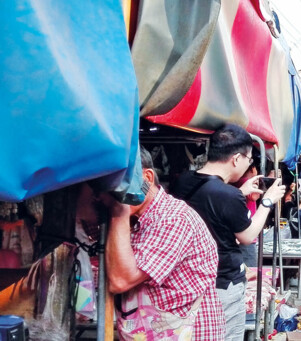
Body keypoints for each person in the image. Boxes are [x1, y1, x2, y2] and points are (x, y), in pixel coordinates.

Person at [169, 124, 286, 340]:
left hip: (188, 280)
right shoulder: (227, 195)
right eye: (249, 160)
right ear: (236, 159)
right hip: (222, 281)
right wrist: (267, 202)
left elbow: (210, 211)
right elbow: (247, 237)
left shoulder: (184, 181)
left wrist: (240, 192)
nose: (247, 165)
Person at [106, 147, 225, 340]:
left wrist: (119, 208)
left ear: (147, 177)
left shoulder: (173, 219)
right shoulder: (137, 218)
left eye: (116, 188)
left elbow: (121, 280)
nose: (106, 197)